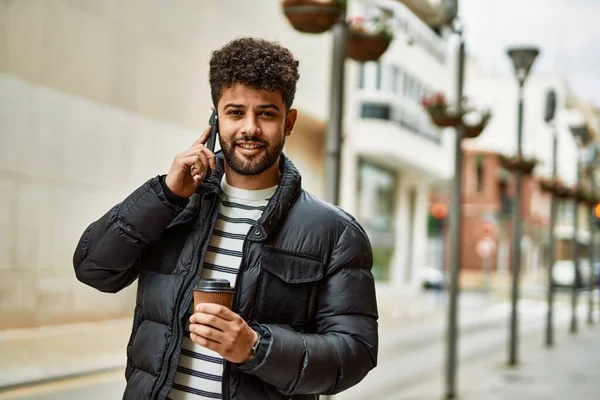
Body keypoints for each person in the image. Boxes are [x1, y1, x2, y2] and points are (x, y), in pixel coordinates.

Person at [73, 37, 378, 400]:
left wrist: (255, 347)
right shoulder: (174, 204)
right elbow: (94, 269)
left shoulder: (335, 232)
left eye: (266, 113)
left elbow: (355, 353)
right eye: (235, 112)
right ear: (216, 118)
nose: (249, 128)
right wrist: (165, 196)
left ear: (289, 121)